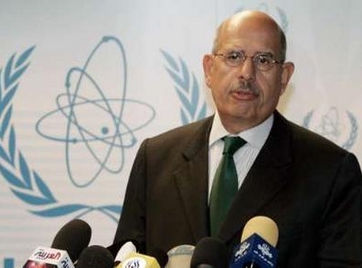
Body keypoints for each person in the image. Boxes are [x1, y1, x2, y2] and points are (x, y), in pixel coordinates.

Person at [112, 10, 362, 267]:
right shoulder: (155, 158)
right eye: (234, 56)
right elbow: (126, 256)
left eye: (263, 60)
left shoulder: (331, 172)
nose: (246, 73)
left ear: (284, 77)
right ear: (209, 69)